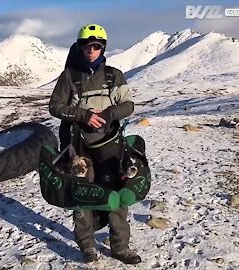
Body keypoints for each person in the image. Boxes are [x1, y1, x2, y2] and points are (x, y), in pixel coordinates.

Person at [48, 24, 141, 264]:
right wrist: (83, 115)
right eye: (87, 46)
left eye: (97, 46)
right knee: (82, 196)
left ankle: (120, 247)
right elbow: (55, 107)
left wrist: (110, 114)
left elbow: (129, 105)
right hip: (79, 149)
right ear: (79, 48)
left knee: (117, 195)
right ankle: (87, 246)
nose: (92, 50)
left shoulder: (114, 76)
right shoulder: (69, 76)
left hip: (111, 147)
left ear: (103, 48)